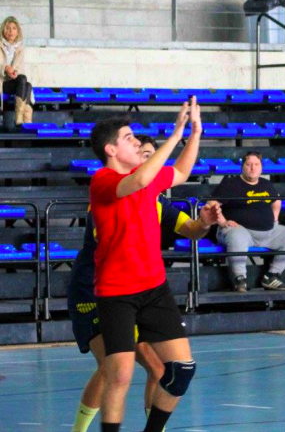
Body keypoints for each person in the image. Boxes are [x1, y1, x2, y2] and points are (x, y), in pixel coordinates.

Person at [68, 136, 221, 432]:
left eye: (152, 155)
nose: (150, 161)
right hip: (95, 290)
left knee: (163, 368)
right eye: (145, 155)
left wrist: (204, 223)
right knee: (114, 369)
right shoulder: (110, 192)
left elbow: (191, 229)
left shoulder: (158, 202)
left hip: (138, 291)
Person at [88, 98, 202, 432]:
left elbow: (181, 172)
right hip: (116, 292)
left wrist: (195, 133)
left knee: (182, 369)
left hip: (154, 288)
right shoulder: (103, 180)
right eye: (129, 138)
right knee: (120, 375)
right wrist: (176, 132)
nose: (137, 142)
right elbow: (137, 181)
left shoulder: (148, 178)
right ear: (110, 150)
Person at [213, 152, 285, 292]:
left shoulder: (266, 184)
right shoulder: (230, 184)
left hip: (268, 233)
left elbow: (277, 201)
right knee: (236, 235)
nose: (252, 168)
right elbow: (211, 206)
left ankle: (271, 276)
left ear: (261, 167)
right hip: (242, 231)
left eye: (256, 164)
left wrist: (275, 219)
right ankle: (239, 278)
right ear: (242, 166)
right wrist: (223, 222)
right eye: (248, 164)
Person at [1, 16, 33, 127]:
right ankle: (23, 119)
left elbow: (20, 68)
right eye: (8, 28)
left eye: (14, 28)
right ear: (3, 30)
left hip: (15, 81)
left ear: (18, 31)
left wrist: (14, 72)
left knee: (26, 82)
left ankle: (22, 118)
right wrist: (5, 68)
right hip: (2, 82)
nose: (11, 31)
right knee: (26, 83)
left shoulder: (20, 48)